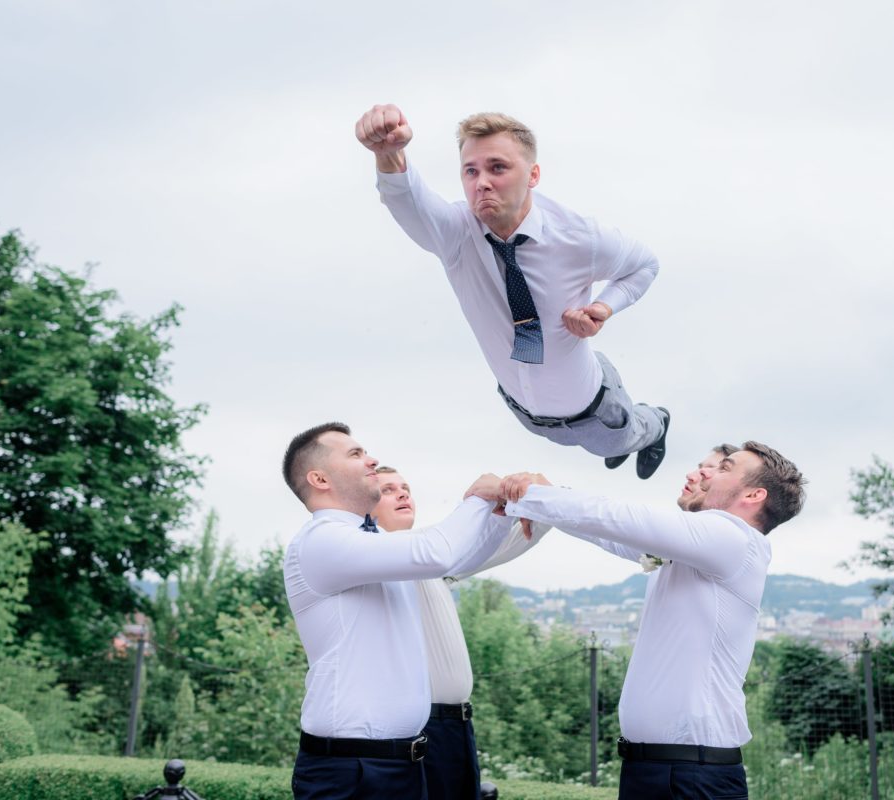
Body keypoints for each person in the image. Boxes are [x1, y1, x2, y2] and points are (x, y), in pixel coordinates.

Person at [355, 104, 670, 479]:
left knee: (615, 441)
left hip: (593, 408)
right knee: (576, 441)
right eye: (470, 171)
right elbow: (408, 200)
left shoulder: (578, 237)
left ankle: (656, 424)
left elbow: (645, 265)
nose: (481, 182)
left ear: (533, 174)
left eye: (497, 168)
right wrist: (387, 153)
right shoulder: (457, 234)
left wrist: (604, 307)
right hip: (524, 410)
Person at [476, 442, 806, 799]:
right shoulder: (703, 548)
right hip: (657, 769)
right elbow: (610, 532)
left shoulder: (735, 538)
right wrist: (540, 499)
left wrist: (531, 492)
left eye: (724, 468)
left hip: (692, 776)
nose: (707, 473)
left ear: (755, 494)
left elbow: (621, 518)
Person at [281, 422, 514, 800]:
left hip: (401, 763)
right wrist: (477, 498)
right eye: (355, 454)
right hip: (353, 770)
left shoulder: (376, 545)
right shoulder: (321, 541)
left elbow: (459, 555)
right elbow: (435, 551)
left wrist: (500, 511)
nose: (371, 459)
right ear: (320, 478)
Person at [372, 466, 550, 800]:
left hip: (456, 728)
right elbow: (447, 543)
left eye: (405, 486)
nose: (402, 493)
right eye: (387, 490)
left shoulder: (431, 562)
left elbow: (517, 538)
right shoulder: (385, 556)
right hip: (419, 728)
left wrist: (535, 497)